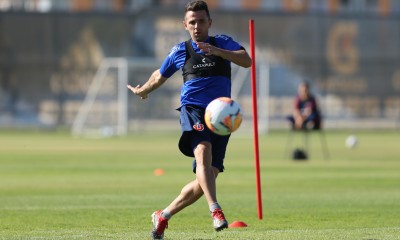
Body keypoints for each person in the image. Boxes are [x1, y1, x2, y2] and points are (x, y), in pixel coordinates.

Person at [127, 1, 252, 239]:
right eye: (192, 22)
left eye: (201, 21)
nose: (197, 26)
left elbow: (246, 60)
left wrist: (218, 52)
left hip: (221, 116)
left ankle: (163, 215)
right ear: (185, 25)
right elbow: (159, 75)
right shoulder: (180, 51)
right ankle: (215, 210)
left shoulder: (222, 42)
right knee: (203, 152)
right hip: (193, 109)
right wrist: (144, 90)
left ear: (209, 23)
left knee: (207, 177)